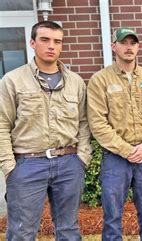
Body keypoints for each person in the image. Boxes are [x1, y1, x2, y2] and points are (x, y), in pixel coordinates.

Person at [0, 21, 92, 240]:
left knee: (69, 230)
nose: (52, 46)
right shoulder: (13, 80)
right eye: (45, 40)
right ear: (32, 42)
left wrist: (82, 158)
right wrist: (9, 167)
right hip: (27, 165)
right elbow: (2, 124)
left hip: (69, 164)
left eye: (57, 41)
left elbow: (84, 123)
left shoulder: (76, 82)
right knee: (22, 232)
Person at [87, 27, 142, 240]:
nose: (129, 47)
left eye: (133, 43)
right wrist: (126, 150)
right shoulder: (100, 80)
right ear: (114, 46)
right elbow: (98, 123)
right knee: (113, 214)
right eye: (124, 43)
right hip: (115, 158)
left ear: (138, 47)